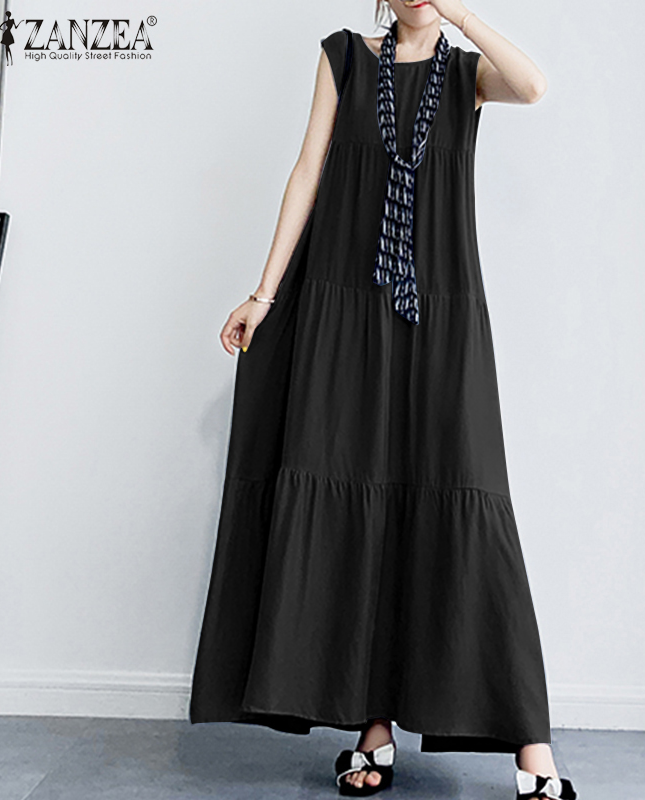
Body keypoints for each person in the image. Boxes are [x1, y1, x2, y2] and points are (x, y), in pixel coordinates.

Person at [189, 2, 578, 799]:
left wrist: (462, 14)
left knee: (465, 494)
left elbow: (535, 86)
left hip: (441, 314)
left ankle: (533, 749)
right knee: (361, 500)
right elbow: (309, 169)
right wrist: (264, 294)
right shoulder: (344, 57)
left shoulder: (467, 75)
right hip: (347, 308)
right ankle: (373, 728)